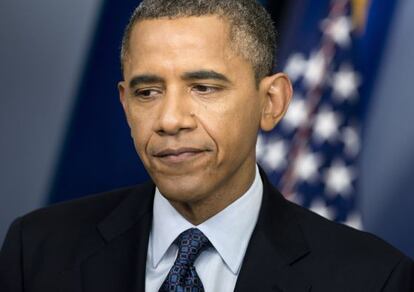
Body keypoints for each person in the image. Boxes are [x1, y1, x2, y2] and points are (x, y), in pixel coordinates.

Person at [0, 0, 413, 291]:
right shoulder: (37, 249)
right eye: (147, 93)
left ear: (271, 103)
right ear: (125, 105)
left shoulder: (372, 279)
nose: (170, 120)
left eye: (203, 87)